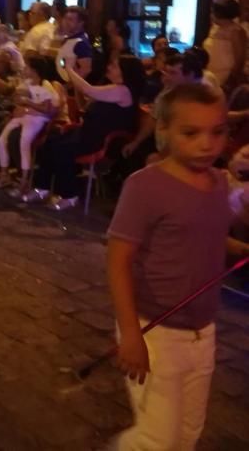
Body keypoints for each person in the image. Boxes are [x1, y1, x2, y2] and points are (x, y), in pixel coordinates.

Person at [107, 83, 249, 449]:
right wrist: (131, 335)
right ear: (164, 130)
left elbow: (212, 239)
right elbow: (119, 260)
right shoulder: (145, 186)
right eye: (191, 133)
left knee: (187, 433)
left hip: (203, 331)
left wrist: (242, 248)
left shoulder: (218, 183)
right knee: (157, 439)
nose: (207, 144)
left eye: (218, 132)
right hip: (155, 332)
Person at [25, 56, 145, 210]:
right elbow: (84, 105)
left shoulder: (123, 91)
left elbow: (89, 90)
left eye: (114, 66)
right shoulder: (111, 87)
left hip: (101, 140)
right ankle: (42, 187)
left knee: (63, 149)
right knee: (50, 141)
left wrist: (69, 69)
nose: (109, 67)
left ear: (125, 72)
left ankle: (69, 194)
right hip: (87, 131)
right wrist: (77, 79)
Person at [0, 56, 58, 192]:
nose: (24, 69)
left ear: (34, 70)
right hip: (24, 116)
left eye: (27, 67)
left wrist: (29, 104)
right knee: (0, 140)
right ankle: (4, 174)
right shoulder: (26, 83)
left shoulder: (45, 85)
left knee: (24, 141)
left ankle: (24, 180)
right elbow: (16, 97)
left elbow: (47, 108)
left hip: (36, 119)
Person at [203, 0, 247, 94]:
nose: (210, 15)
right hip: (210, 74)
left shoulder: (236, 31)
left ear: (221, 13)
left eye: (212, 12)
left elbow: (240, 59)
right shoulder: (214, 28)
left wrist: (229, 81)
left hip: (225, 77)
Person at [56, 6, 94, 80]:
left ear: (81, 23)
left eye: (70, 20)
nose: (65, 22)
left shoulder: (80, 43)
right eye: (65, 18)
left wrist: (69, 86)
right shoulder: (69, 39)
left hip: (69, 87)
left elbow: (86, 70)